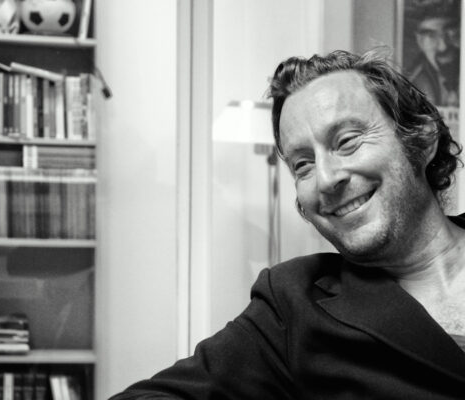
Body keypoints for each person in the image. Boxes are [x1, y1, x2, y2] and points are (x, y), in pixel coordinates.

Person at [109, 49, 465, 399]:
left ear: (422, 140)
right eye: (303, 165)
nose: (326, 179)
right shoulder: (293, 305)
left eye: (346, 141)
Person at [407, 6, 460, 106]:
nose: (443, 47)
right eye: (431, 36)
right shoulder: (412, 84)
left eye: (451, 34)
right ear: (419, 40)